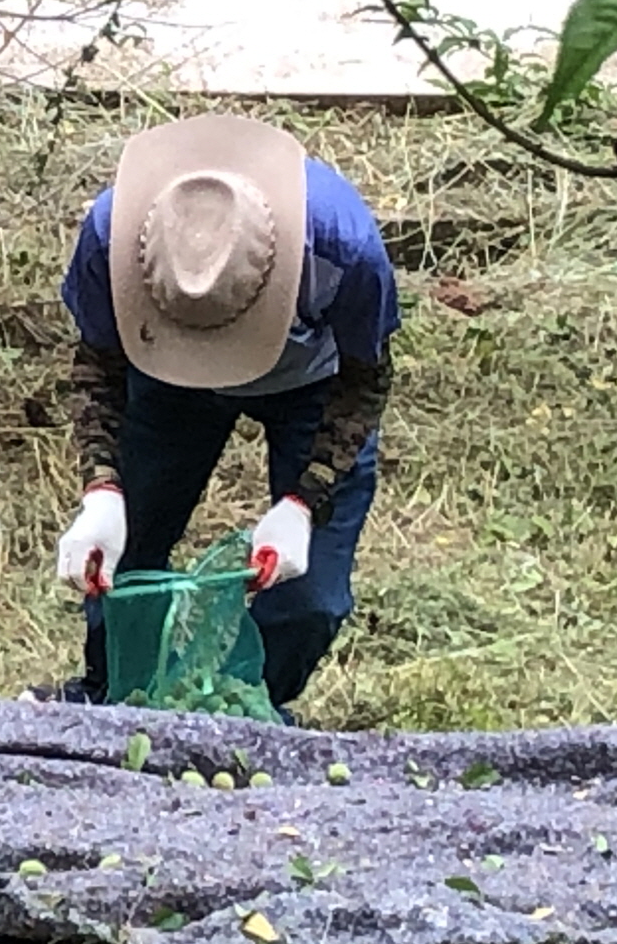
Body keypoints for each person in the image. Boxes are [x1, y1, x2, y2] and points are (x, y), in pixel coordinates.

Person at [42, 112, 401, 721]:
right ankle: (114, 695)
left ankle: (248, 706)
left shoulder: (345, 249)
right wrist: (103, 490)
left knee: (308, 596)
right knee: (126, 556)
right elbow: (99, 367)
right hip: (166, 381)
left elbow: (364, 381)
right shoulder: (111, 236)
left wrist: (302, 504)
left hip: (313, 384)